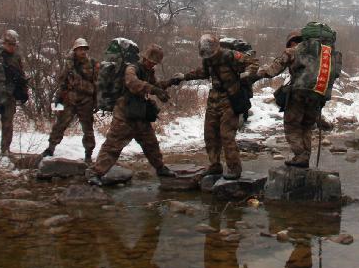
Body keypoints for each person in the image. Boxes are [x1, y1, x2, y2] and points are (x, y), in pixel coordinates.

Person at [88, 44, 181, 185]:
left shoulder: (149, 71)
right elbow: (133, 83)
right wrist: (154, 90)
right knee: (113, 145)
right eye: (152, 62)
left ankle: (160, 168)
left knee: (151, 144)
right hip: (124, 115)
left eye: (155, 63)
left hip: (139, 115)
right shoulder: (132, 68)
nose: (153, 65)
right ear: (145, 58)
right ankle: (96, 174)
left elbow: (155, 86)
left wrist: (170, 82)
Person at [182, 33, 258, 179]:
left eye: (211, 53)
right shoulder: (207, 59)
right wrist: (184, 77)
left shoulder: (229, 55)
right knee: (210, 134)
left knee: (226, 135)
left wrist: (247, 74)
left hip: (230, 98)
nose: (210, 56)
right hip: (214, 98)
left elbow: (253, 63)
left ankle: (234, 169)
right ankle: (214, 165)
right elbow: (203, 73)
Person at [258, 30, 323, 167]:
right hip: (316, 96)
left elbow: (272, 71)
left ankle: (300, 156)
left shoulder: (292, 51)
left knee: (292, 127)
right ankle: (305, 158)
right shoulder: (319, 54)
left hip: (298, 95)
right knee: (306, 127)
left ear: (292, 42)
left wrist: (257, 73)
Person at [43, 38, 99, 163]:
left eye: (84, 49)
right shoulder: (69, 64)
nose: (83, 51)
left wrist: (96, 101)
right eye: (80, 49)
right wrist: (58, 101)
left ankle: (88, 155)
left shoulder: (92, 63)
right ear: (75, 50)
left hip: (86, 100)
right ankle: (50, 148)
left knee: (88, 129)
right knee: (60, 124)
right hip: (70, 99)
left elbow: (97, 84)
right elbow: (61, 82)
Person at [0, 29, 28, 155]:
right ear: (4, 43)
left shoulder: (16, 57)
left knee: (7, 124)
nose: (12, 47)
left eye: (14, 45)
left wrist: (23, 90)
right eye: (9, 44)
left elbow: (21, 74)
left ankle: (5, 149)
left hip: (10, 96)